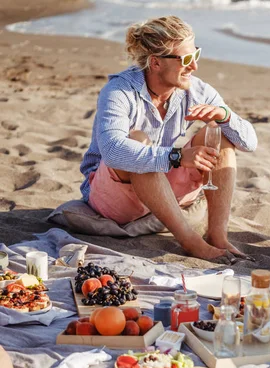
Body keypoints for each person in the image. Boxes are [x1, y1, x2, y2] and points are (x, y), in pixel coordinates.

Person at [79, 16, 257, 261]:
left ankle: (217, 236)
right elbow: (112, 151)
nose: (194, 66)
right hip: (112, 198)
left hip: (162, 190)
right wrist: (175, 156)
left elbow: (250, 143)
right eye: (185, 59)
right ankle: (190, 241)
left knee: (218, 135)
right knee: (137, 141)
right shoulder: (119, 91)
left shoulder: (197, 90)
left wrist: (225, 116)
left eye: (196, 54)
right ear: (155, 63)